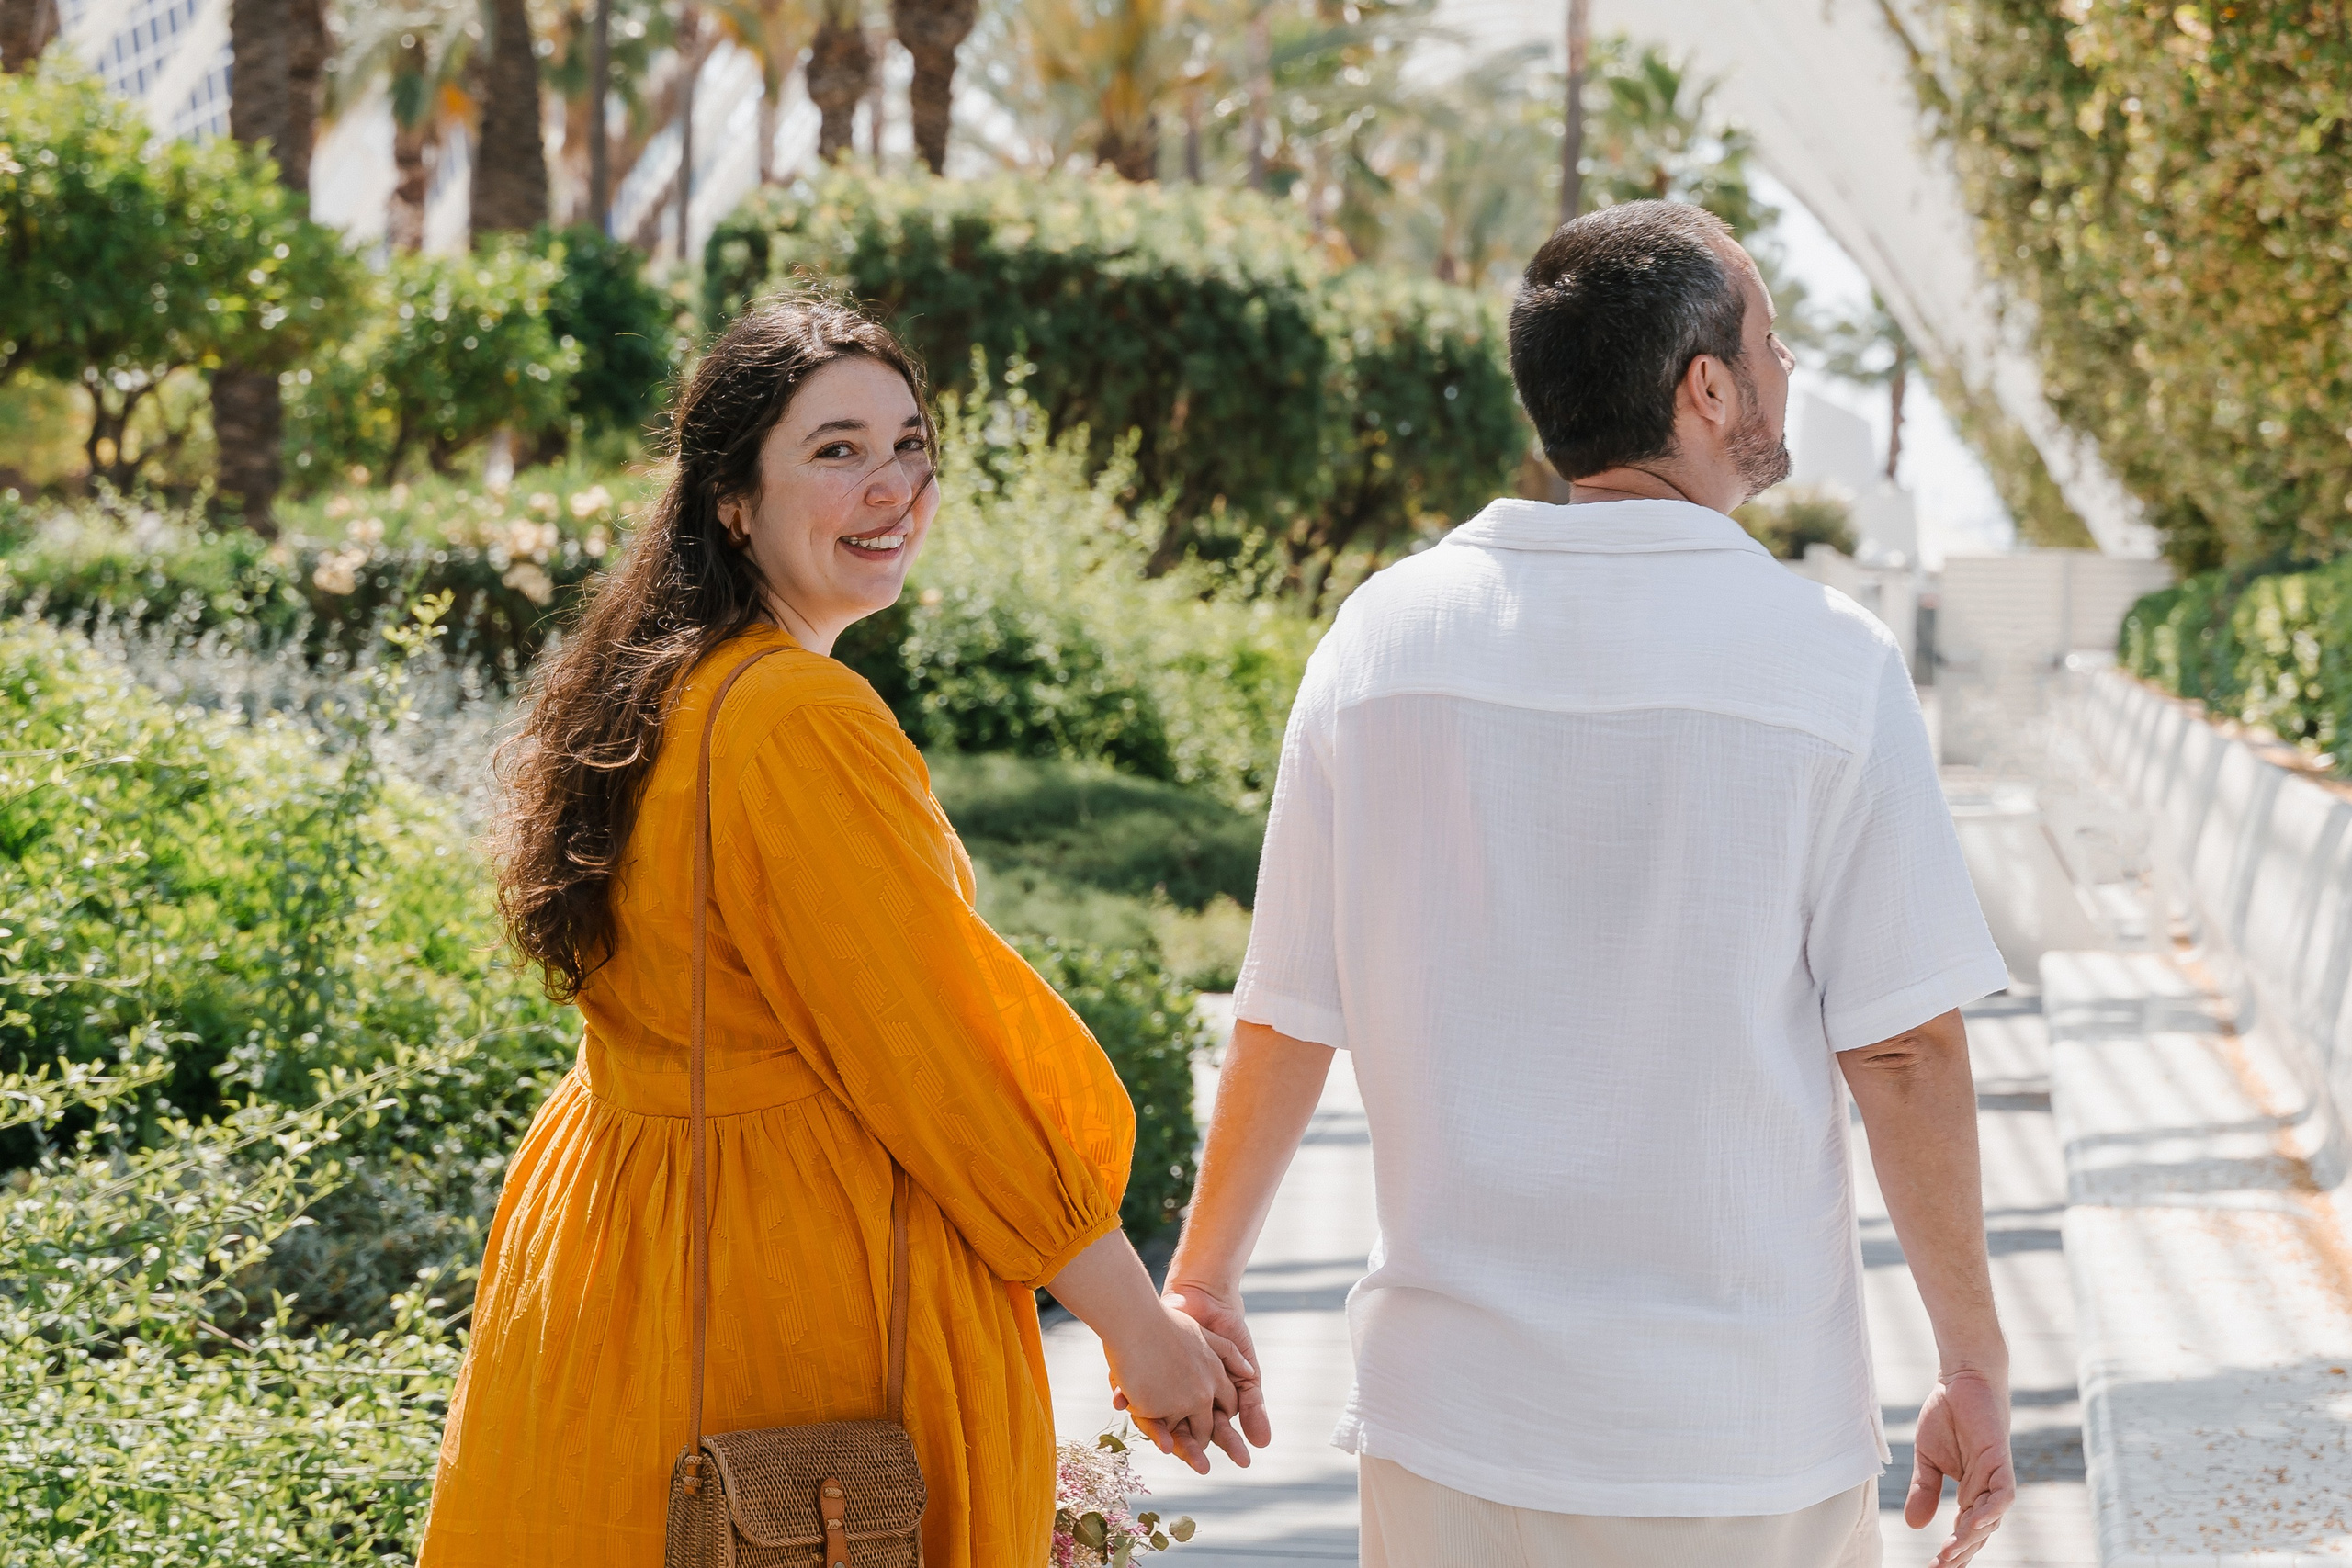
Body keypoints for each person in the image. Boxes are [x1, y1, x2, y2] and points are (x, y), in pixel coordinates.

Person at [1161, 200, 2018, 1568]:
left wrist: (1204, 1282)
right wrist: (1970, 1359)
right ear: (1707, 388)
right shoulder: (1826, 660)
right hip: (1735, 1437)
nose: (1788, 366)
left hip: (1448, 1424)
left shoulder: (1381, 639)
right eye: (1771, 339)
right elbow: (1905, 1048)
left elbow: (1286, 1008)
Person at [420, 296, 1251, 1568]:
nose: (893, 486)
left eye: (911, 445)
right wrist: (1140, 1330)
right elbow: (941, 1061)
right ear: (731, 500)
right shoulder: (795, 717)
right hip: (782, 1288)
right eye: (837, 450)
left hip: (617, 1260)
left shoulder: (661, 691)